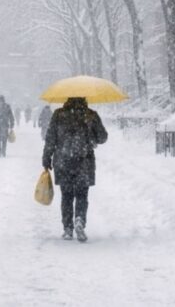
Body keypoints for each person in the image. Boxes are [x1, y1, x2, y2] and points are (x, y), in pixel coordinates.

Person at [41, 97, 108, 242]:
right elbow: (103, 137)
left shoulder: (59, 114)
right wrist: (92, 137)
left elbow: (50, 139)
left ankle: (67, 228)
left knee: (66, 196)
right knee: (82, 195)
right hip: (84, 162)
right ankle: (79, 220)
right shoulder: (90, 114)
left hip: (63, 161)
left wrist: (46, 158)